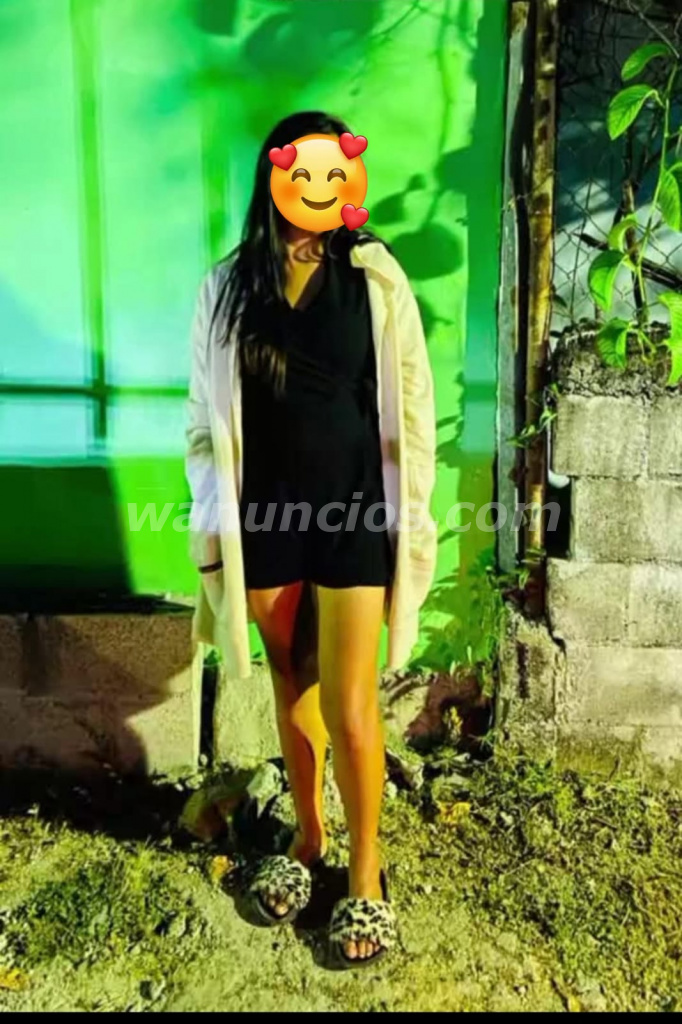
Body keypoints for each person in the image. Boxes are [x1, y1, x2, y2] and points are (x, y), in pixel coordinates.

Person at [186, 111, 437, 969]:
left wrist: (415, 516)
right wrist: (212, 527)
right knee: (290, 679)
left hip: (355, 511)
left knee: (351, 703)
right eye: (304, 174)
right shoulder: (227, 287)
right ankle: (309, 835)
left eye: (335, 174)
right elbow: (202, 419)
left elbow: (412, 406)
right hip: (263, 518)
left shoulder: (376, 277)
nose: (319, 190)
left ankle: (366, 872)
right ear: (275, 179)